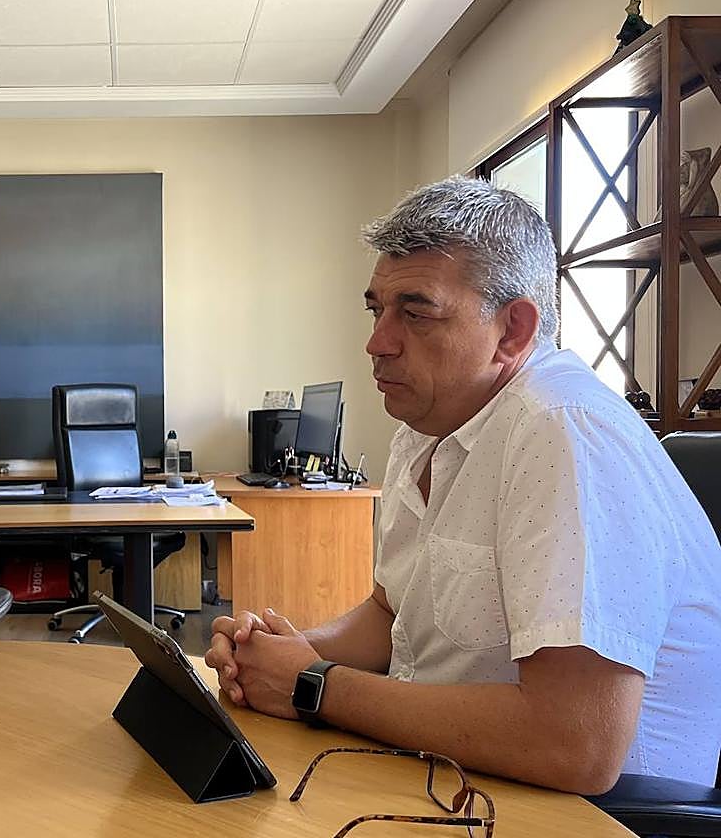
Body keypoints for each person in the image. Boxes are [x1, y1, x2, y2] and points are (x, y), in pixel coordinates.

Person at [205, 176, 721, 794]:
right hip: (450, 772)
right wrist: (279, 655)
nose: (377, 343)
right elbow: (390, 613)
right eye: (377, 310)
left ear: (512, 331)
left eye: (416, 314)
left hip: (593, 814)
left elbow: (576, 743)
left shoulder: (564, 431)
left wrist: (314, 685)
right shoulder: (425, 425)